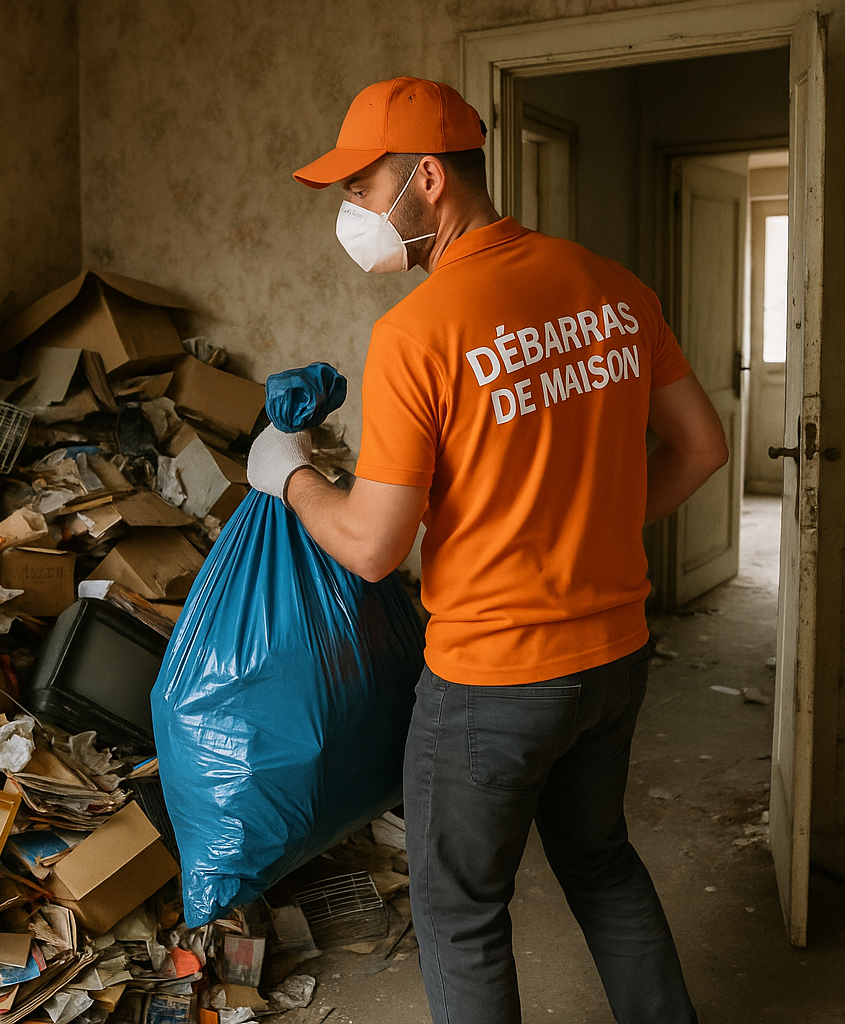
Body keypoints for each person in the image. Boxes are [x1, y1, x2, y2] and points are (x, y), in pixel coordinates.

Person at [247, 76, 727, 1024]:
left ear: (426, 178)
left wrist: (291, 477)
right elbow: (703, 446)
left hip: (492, 683)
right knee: (601, 861)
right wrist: (591, 533)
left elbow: (374, 548)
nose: (350, 213)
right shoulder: (612, 288)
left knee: (459, 912)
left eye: (359, 187)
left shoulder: (419, 332)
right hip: (615, 657)